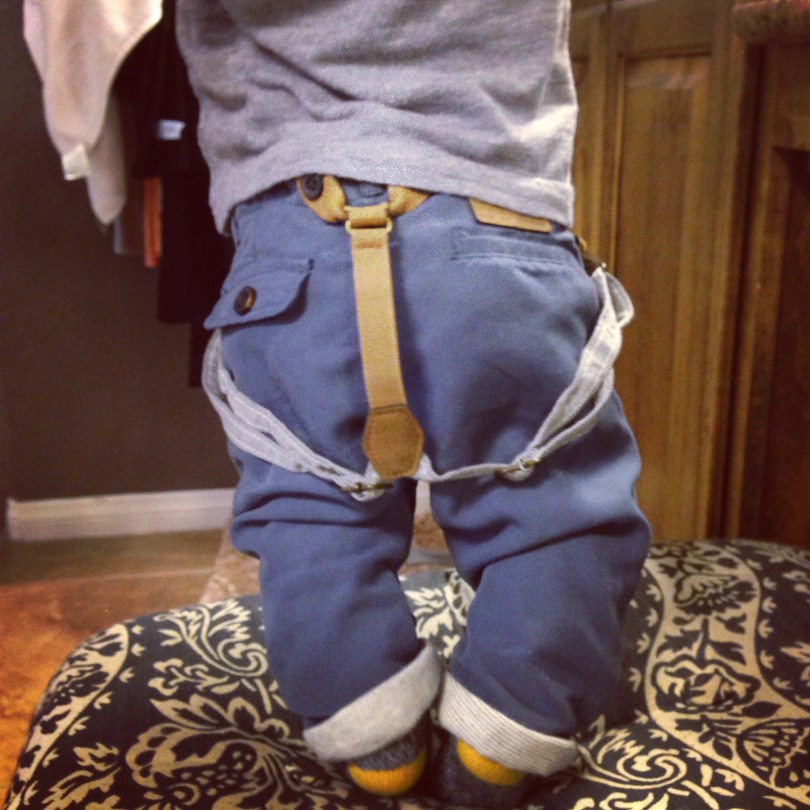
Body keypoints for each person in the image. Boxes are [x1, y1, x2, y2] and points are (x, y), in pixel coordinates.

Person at [176, 2, 651, 807]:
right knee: (551, 505)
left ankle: (374, 736)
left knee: (310, 505)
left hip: (287, 247)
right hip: (496, 230)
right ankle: (507, 732)